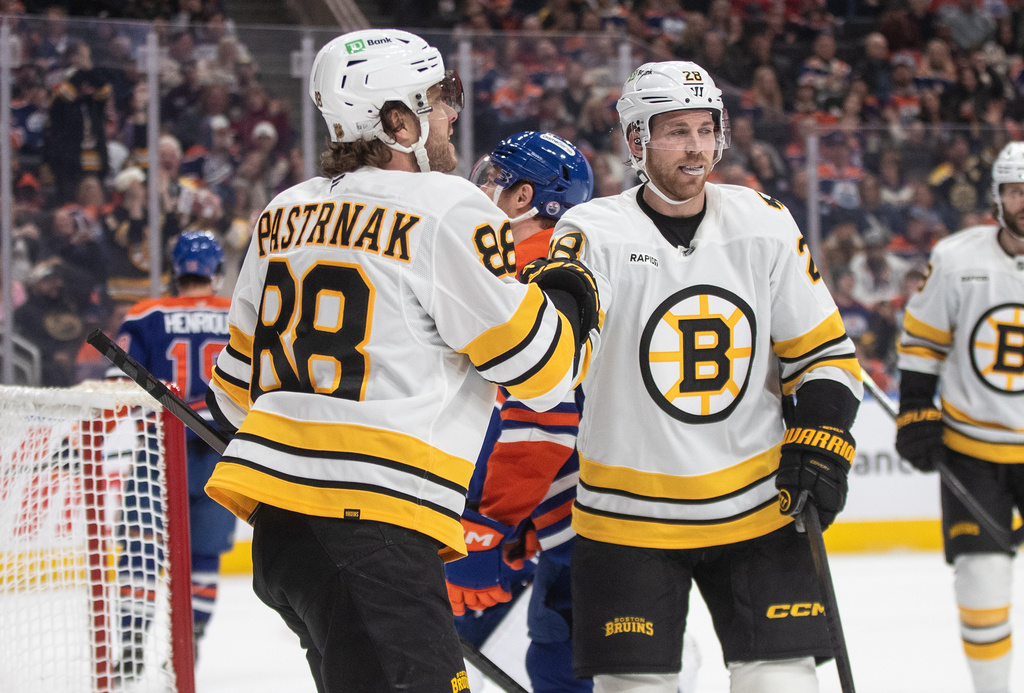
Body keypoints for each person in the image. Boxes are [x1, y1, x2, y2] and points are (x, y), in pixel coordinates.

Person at [203, 29, 600, 693]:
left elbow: (232, 393)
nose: (451, 115)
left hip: (282, 536)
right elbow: (542, 373)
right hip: (372, 532)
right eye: (439, 100)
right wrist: (568, 289)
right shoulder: (446, 207)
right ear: (398, 122)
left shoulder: (282, 212)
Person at [544, 60, 864, 692]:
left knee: (784, 683)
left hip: (758, 506)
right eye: (676, 131)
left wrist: (822, 440)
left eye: (705, 129)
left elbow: (824, 354)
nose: (696, 147)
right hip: (626, 516)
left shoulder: (764, 221)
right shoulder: (591, 231)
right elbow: (555, 360)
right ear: (636, 140)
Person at [450, 130, 595, 692]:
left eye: (495, 180)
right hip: (573, 511)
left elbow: (543, 418)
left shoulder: (531, 275)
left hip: (585, 519)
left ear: (524, 197)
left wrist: (489, 523)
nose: (483, 189)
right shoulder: (558, 263)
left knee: (568, 666)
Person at [895, 141, 1024, 693]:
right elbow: (923, 343)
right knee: (981, 582)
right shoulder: (955, 258)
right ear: (997, 196)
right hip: (972, 451)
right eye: (1016, 191)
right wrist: (915, 409)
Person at [106, 231, 236, 681]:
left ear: (174, 271)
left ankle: (131, 643)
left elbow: (116, 384)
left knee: (140, 547)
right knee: (204, 555)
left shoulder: (146, 314)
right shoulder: (240, 313)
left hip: (159, 448)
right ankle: (191, 638)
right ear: (217, 272)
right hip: (220, 452)